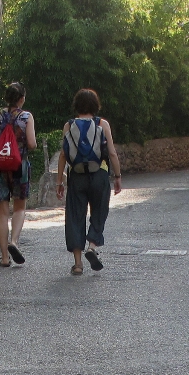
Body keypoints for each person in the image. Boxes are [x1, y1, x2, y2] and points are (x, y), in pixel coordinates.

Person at [56, 89, 122, 275]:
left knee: (75, 216)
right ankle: (92, 246)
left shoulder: (69, 125)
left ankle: (78, 264)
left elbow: (63, 154)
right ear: (96, 105)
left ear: (76, 105)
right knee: (99, 211)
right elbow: (111, 153)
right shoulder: (102, 124)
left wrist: (59, 181)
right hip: (99, 174)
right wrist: (117, 176)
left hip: (76, 176)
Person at [0, 82, 37, 267]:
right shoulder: (26, 117)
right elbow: (31, 143)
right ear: (22, 99)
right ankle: (14, 241)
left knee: (2, 213)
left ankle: (5, 257)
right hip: (19, 165)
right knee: (20, 207)